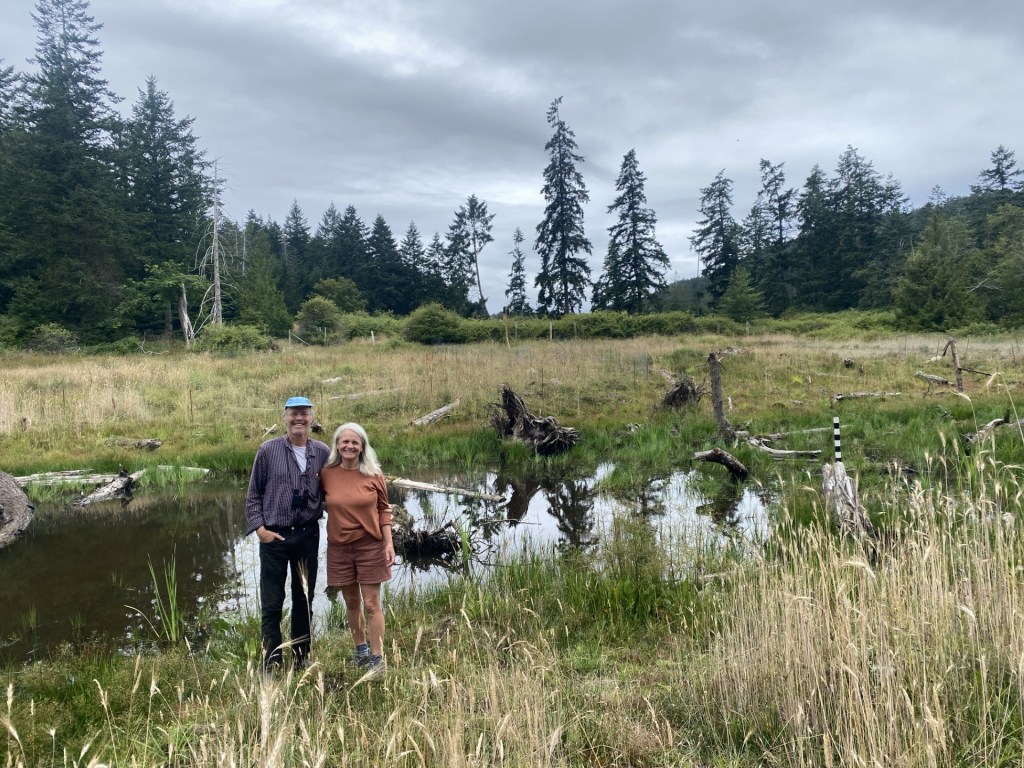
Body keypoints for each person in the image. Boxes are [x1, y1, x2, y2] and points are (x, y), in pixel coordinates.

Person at [245, 396, 330, 672]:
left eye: (304, 414)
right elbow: (253, 495)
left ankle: (301, 660)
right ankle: (271, 662)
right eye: (293, 414)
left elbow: (333, 492)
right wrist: (260, 529)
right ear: (284, 417)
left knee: (303, 601)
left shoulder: (322, 452)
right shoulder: (268, 450)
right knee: (272, 603)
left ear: (311, 418)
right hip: (275, 538)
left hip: (307, 536)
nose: (299, 419)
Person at [320, 422, 394, 677]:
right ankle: (360, 650)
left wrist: (389, 543)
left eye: (355, 442)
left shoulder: (374, 473)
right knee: (351, 603)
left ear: (362, 446)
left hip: (370, 546)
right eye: (345, 442)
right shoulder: (326, 473)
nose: (349, 446)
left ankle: (377, 658)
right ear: (337, 446)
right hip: (339, 548)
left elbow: (384, 510)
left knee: (372, 604)